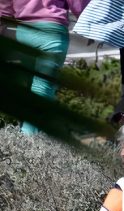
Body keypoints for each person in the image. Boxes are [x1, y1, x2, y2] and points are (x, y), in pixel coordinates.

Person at [0, 0, 90, 134]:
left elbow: (4, 6)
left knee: (30, 89)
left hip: (23, 32)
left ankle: (24, 140)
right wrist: (89, 23)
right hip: (52, 32)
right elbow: (79, 4)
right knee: (42, 90)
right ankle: (28, 141)